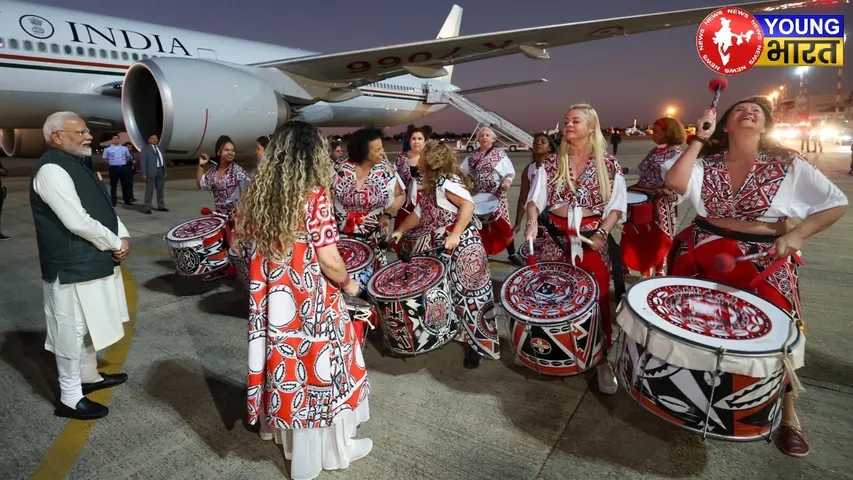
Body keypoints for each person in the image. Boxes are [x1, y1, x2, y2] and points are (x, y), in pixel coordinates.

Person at [663, 96, 848, 458]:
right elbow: (675, 183)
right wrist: (699, 139)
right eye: (739, 110)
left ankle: (789, 415)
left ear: (765, 125)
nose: (748, 113)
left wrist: (797, 235)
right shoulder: (706, 162)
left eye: (757, 112)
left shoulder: (788, 162)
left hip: (762, 256)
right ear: (725, 123)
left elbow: (835, 203)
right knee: (696, 327)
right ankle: (692, 396)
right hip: (703, 251)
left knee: (781, 333)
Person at [235, 121, 371, 480]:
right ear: (312, 155)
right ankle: (330, 452)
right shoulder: (314, 196)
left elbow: (244, 246)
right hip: (310, 301)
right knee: (321, 372)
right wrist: (350, 285)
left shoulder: (258, 194)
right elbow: (329, 260)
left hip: (274, 301)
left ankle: (285, 437)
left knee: (285, 367)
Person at [30, 112, 131, 420]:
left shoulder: (78, 164)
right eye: (81, 132)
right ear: (57, 137)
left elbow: (104, 209)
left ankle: (88, 377)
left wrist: (123, 235)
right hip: (71, 268)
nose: (89, 136)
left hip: (92, 260)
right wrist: (114, 243)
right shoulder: (51, 170)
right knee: (70, 332)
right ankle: (70, 398)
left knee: (87, 325)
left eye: (87, 131)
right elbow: (77, 220)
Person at [524, 104, 627, 394]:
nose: (568, 124)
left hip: (591, 237)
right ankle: (557, 352)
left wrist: (602, 233)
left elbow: (616, 207)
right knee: (552, 297)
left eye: (575, 121)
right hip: (554, 237)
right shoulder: (551, 163)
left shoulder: (609, 165)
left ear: (591, 127)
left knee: (597, 299)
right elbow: (534, 200)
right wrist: (532, 222)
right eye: (566, 120)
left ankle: (602, 360)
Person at [392, 141, 499, 369]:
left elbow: (468, 206)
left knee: (472, 297)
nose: (418, 158)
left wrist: (456, 234)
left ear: (431, 160)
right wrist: (400, 230)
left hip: (463, 247)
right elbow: (419, 213)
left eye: (422, 155)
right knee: (451, 293)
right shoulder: (432, 184)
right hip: (447, 246)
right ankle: (461, 335)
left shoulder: (446, 182)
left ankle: (479, 346)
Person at [620, 117, 685, 277]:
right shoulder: (654, 151)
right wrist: (623, 170)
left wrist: (666, 192)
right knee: (635, 234)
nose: (652, 134)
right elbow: (642, 169)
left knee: (658, 238)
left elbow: (681, 181)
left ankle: (659, 268)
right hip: (642, 199)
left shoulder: (677, 154)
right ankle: (632, 265)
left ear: (668, 133)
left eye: (656, 131)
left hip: (660, 204)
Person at [334, 128, 404, 273]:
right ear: (363, 152)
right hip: (341, 237)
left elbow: (400, 195)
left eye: (382, 147)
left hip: (374, 237)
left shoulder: (385, 169)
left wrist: (388, 214)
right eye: (377, 150)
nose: (382, 152)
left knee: (372, 276)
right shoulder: (340, 168)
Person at [461, 127, 520, 265]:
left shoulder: (499, 154)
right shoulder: (472, 156)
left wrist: (506, 183)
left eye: (487, 135)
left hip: (496, 195)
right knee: (482, 226)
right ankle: (485, 253)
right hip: (479, 196)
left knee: (503, 224)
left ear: (493, 139)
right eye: (482, 135)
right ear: (478, 139)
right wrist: (468, 185)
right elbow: (462, 171)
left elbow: (510, 172)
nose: (484, 137)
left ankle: (512, 254)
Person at [196, 135, 251, 281]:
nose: (231, 152)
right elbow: (201, 184)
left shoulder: (239, 173)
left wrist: (240, 213)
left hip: (236, 216)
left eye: (233, 150)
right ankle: (220, 270)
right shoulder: (212, 172)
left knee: (237, 247)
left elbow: (249, 194)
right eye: (227, 150)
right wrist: (201, 165)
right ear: (219, 151)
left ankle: (246, 275)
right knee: (217, 244)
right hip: (219, 216)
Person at [392, 125, 433, 256]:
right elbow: (394, 179)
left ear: (425, 141)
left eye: (420, 139)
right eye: (413, 138)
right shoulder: (401, 158)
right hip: (405, 204)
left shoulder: (431, 159)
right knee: (404, 238)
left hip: (424, 203)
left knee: (423, 242)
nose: (416, 142)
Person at [102, 134, 134, 207]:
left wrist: (125, 162)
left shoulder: (124, 148)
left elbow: (128, 156)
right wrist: (110, 163)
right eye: (114, 138)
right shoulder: (108, 149)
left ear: (119, 139)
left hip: (123, 167)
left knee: (125, 185)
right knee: (113, 185)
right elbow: (104, 158)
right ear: (112, 140)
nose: (116, 140)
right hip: (113, 168)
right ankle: (113, 201)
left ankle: (127, 200)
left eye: (117, 138)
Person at [140, 134, 168, 214]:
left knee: (160, 190)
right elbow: (143, 162)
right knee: (149, 190)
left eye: (156, 138)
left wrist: (165, 171)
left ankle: (161, 206)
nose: (155, 140)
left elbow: (163, 160)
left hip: (160, 170)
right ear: (149, 140)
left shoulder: (160, 148)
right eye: (152, 138)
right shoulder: (145, 149)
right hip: (150, 172)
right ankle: (147, 207)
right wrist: (144, 173)